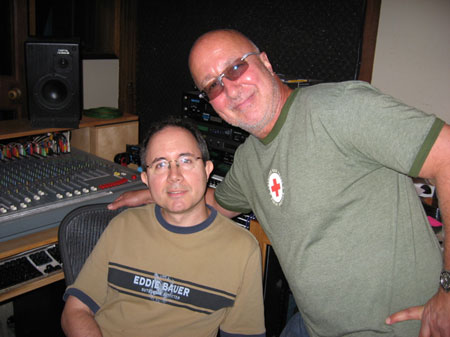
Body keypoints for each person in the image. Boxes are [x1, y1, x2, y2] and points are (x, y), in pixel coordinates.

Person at [108, 29, 450, 336]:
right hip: (316, 326)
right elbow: (213, 204)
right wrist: (159, 191)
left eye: (236, 68)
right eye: (212, 85)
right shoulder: (249, 160)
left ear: (266, 63)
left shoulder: (339, 108)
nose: (229, 88)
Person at [61, 117, 266, 337]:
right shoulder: (123, 226)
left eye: (186, 161)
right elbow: (75, 310)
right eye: (160, 165)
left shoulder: (242, 250)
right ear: (146, 179)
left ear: (207, 170)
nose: (174, 176)